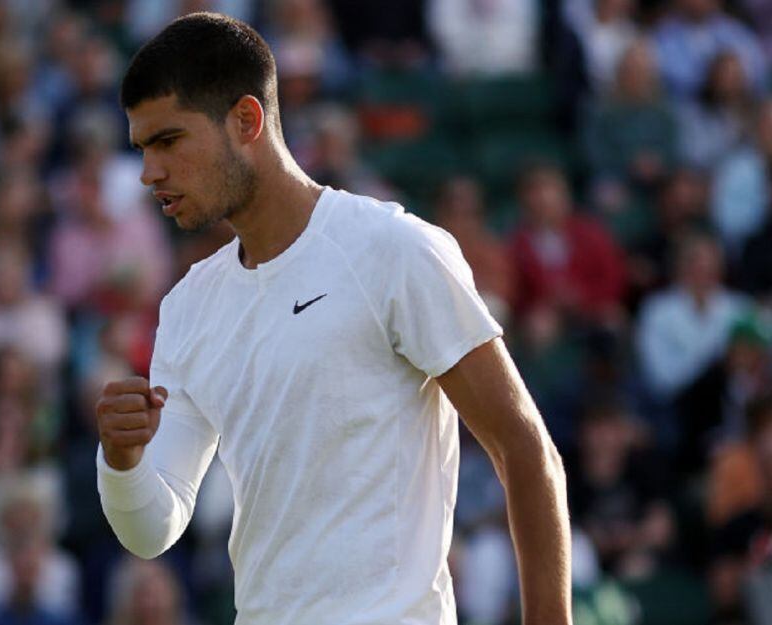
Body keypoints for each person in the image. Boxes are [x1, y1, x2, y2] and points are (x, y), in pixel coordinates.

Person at [94, 13, 571, 625]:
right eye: (141, 148)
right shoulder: (188, 306)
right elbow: (153, 529)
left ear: (247, 120)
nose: (148, 172)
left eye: (168, 142)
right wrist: (122, 462)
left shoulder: (393, 249)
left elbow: (524, 448)